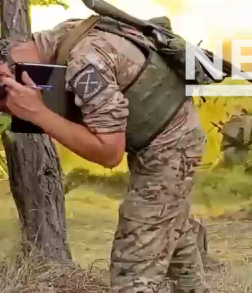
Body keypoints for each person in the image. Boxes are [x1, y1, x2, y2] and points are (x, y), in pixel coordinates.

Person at [0, 17, 208, 293]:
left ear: (7, 71)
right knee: (169, 229)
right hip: (165, 138)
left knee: (131, 272)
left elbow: (109, 153)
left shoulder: (85, 61)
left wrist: (37, 113)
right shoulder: (65, 36)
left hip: (171, 147)